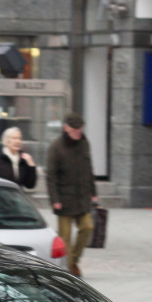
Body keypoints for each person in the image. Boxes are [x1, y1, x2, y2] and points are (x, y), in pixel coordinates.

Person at [46, 112, 98, 276]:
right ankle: (68, 271)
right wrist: (55, 199)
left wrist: (93, 192)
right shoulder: (56, 146)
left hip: (82, 197)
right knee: (65, 238)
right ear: (66, 128)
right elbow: (51, 176)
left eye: (80, 129)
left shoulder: (84, 143)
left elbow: (89, 169)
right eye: (75, 129)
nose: (78, 132)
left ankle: (73, 261)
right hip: (64, 198)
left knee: (87, 227)